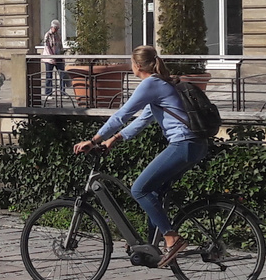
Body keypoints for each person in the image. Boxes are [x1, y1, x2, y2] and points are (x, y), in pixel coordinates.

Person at [71, 46, 209, 266]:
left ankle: (171, 239)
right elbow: (143, 119)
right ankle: (150, 245)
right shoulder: (160, 84)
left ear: (136, 65)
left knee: (139, 189)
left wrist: (94, 140)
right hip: (195, 144)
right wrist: (114, 140)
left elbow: (121, 115)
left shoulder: (150, 84)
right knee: (155, 191)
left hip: (184, 143)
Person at [42, 20, 66, 101]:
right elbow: (47, 47)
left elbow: (61, 46)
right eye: (55, 28)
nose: (56, 30)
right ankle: (48, 93)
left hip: (58, 57)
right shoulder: (47, 35)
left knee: (62, 74)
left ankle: (63, 92)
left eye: (57, 28)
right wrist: (52, 57)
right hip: (49, 59)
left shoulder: (58, 35)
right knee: (49, 76)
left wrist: (62, 56)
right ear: (52, 27)